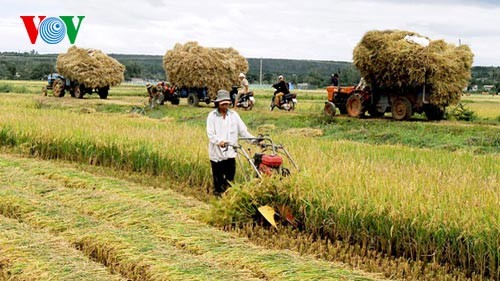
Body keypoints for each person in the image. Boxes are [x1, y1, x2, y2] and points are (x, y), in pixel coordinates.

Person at [206, 90, 255, 196]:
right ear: (218, 103)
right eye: (223, 102)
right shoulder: (212, 116)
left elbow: (243, 131)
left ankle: (227, 198)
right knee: (218, 181)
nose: (225, 104)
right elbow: (210, 134)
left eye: (227, 102)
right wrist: (219, 142)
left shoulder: (234, 115)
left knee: (230, 179)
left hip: (231, 153)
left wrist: (254, 140)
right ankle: (218, 197)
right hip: (217, 155)